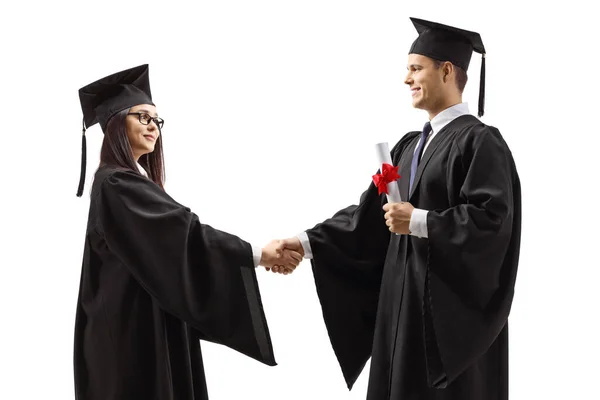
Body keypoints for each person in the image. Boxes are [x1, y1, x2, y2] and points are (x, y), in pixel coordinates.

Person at [273, 17, 522, 400]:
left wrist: (419, 220)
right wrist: (304, 244)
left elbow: (492, 223)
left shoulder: (480, 142)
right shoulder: (408, 147)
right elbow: (366, 220)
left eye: (414, 68)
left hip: (446, 327)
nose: (406, 79)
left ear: (447, 70)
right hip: (400, 315)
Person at [72, 64, 301, 400]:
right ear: (117, 124)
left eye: (157, 120)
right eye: (143, 117)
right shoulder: (118, 184)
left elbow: (175, 239)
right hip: (129, 332)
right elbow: (184, 234)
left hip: (143, 322)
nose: (154, 127)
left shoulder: (127, 181)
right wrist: (255, 254)